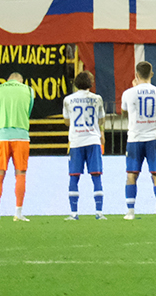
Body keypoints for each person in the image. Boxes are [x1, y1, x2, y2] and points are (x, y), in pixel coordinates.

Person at [120, 61, 156, 220]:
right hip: (154, 138)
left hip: (135, 138)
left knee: (131, 174)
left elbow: (124, 113)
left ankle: (130, 212)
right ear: (151, 74)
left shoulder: (128, 93)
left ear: (136, 75)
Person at [0, 71, 34, 222]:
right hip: (21, 136)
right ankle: (18, 212)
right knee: (20, 174)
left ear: (8, 80)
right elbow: (28, 112)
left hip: (2, 136)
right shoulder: (28, 90)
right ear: (20, 81)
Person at [61, 70, 106, 220]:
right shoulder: (97, 98)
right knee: (96, 176)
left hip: (76, 141)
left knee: (74, 177)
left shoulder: (68, 100)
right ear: (90, 84)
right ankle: (99, 212)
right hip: (93, 140)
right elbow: (101, 119)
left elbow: (67, 121)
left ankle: (74, 213)